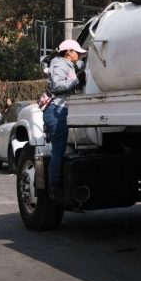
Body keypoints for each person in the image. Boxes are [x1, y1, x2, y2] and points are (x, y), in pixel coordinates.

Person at [44, 39, 87, 200]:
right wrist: (76, 80)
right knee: (58, 150)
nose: (79, 55)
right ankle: (55, 187)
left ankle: (56, 185)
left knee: (59, 149)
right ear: (68, 52)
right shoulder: (60, 64)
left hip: (58, 110)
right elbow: (57, 86)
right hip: (56, 110)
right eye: (77, 52)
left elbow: (81, 67)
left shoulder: (68, 64)